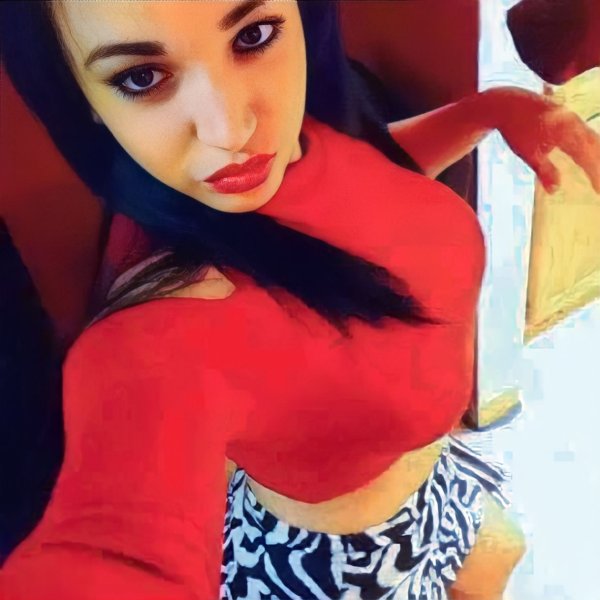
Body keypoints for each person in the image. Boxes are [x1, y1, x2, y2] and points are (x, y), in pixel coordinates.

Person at [0, 2, 598, 599]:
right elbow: (114, 547)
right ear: (80, 98)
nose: (230, 129)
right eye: (142, 77)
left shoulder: (293, 147)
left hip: (431, 474)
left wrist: (489, 111)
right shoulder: (162, 334)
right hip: (349, 563)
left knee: (503, 550)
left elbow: (370, 183)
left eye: (253, 36)